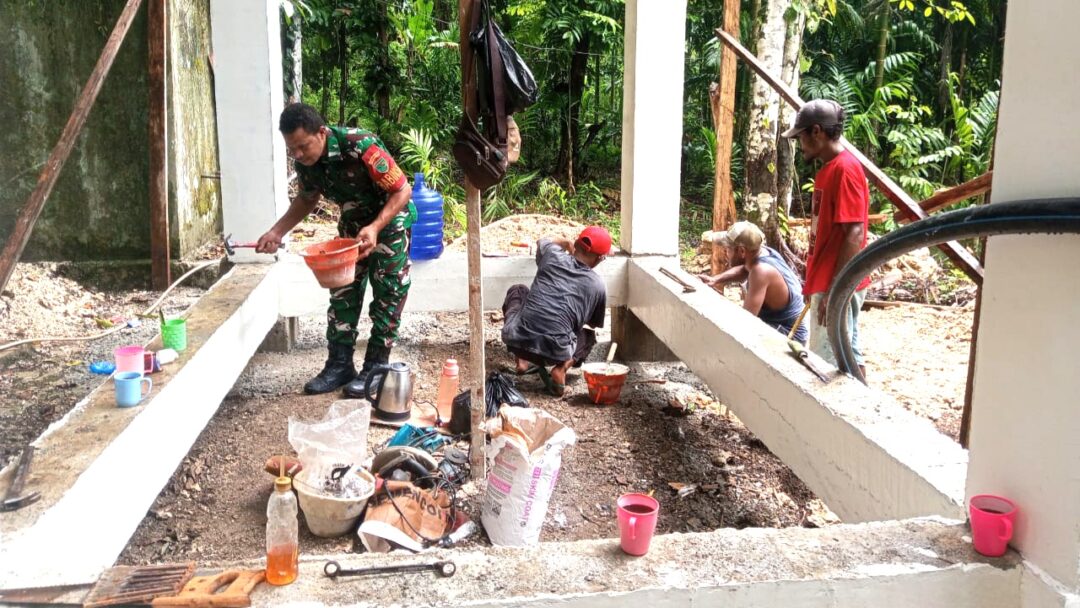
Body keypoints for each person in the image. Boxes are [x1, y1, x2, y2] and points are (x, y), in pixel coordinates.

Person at [256, 103, 415, 395]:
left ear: (322, 132)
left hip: (389, 222)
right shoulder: (305, 162)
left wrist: (376, 227)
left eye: (303, 146)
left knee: (388, 293)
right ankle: (340, 364)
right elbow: (307, 198)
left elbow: (402, 190)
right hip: (352, 226)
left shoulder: (359, 145)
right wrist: (277, 231)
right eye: (293, 150)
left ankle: (376, 367)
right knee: (343, 292)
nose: (299, 155)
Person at [781, 99, 870, 376]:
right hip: (829, 280)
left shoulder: (845, 169)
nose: (800, 144)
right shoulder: (829, 169)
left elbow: (854, 233)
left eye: (801, 136)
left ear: (817, 131)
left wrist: (834, 291)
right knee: (847, 356)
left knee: (828, 363)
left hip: (837, 282)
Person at [501, 227, 611, 397]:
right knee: (588, 336)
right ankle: (561, 369)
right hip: (554, 352)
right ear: (601, 258)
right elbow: (593, 323)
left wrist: (565, 243)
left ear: (575, 244)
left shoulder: (552, 255)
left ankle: (521, 360)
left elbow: (543, 240)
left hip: (517, 340)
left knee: (518, 290)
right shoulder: (597, 285)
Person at [697, 221, 808, 344]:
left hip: (790, 334)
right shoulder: (763, 252)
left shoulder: (761, 272)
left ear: (742, 251)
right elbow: (744, 269)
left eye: (728, 248)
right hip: (784, 323)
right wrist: (715, 279)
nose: (725, 252)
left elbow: (747, 322)